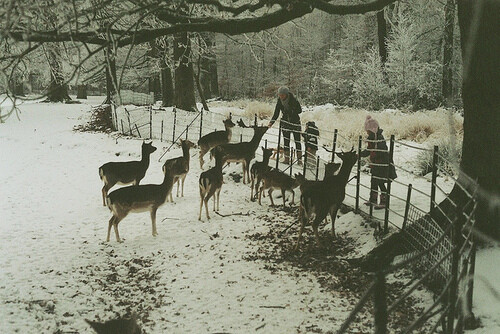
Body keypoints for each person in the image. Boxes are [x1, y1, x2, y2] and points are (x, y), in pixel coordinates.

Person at [360, 115, 397, 209]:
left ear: (372, 129)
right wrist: (360, 154)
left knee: (380, 181)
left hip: (382, 164)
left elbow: (382, 151)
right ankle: (373, 199)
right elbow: (369, 150)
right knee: (374, 181)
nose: (366, 132)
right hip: (376, 163)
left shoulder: (378, 138)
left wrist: (375, 155)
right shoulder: (372, 138)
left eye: (367, 130)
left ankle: (384, 201)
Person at [267, 86, 302, 165]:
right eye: (280, 95)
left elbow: (299, 110)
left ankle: (300, 160)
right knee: (286, 141)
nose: (281, 96)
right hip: (285, 122)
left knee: (297, 141)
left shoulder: (294, 100)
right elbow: (276, 113)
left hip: (295, 122)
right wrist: (271, 123)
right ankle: (287, 159)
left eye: (282, 95)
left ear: (286, 94)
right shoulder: (279, 101)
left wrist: (291, 111)